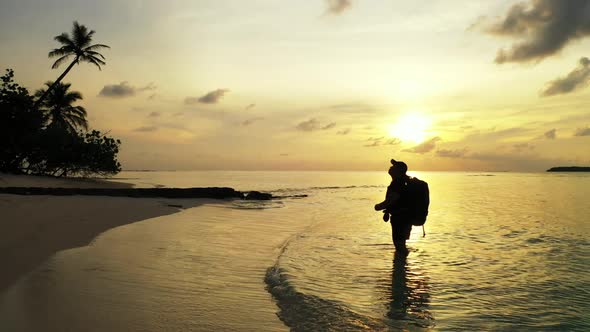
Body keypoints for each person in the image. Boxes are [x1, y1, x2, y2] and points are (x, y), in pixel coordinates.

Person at [375, 159, 412, 256]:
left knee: (399, 244)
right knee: (400, 244)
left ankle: (400, 268)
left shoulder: (397, 183)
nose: (391, 167)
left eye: (394, 166)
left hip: (400, 218)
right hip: (404, 217)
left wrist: (379, 206)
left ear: (398, 170)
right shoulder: (402, 182)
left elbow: (392, 199)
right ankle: (402, 267)